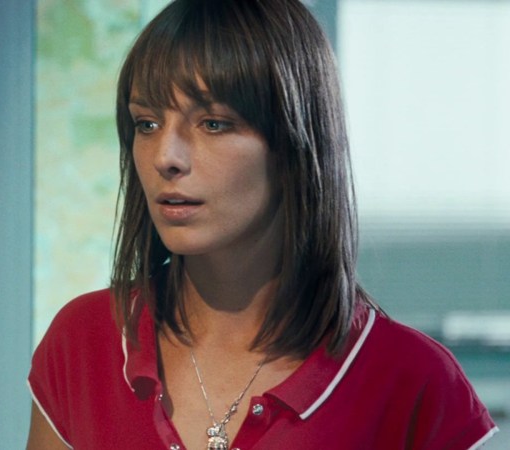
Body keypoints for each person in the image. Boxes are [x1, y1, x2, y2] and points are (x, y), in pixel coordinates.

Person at [26, 0, 499, 448]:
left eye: (213, 123)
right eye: (146, 124)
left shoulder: (413, 382)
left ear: (295, 143)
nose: (165, 156)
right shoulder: (84, 342)